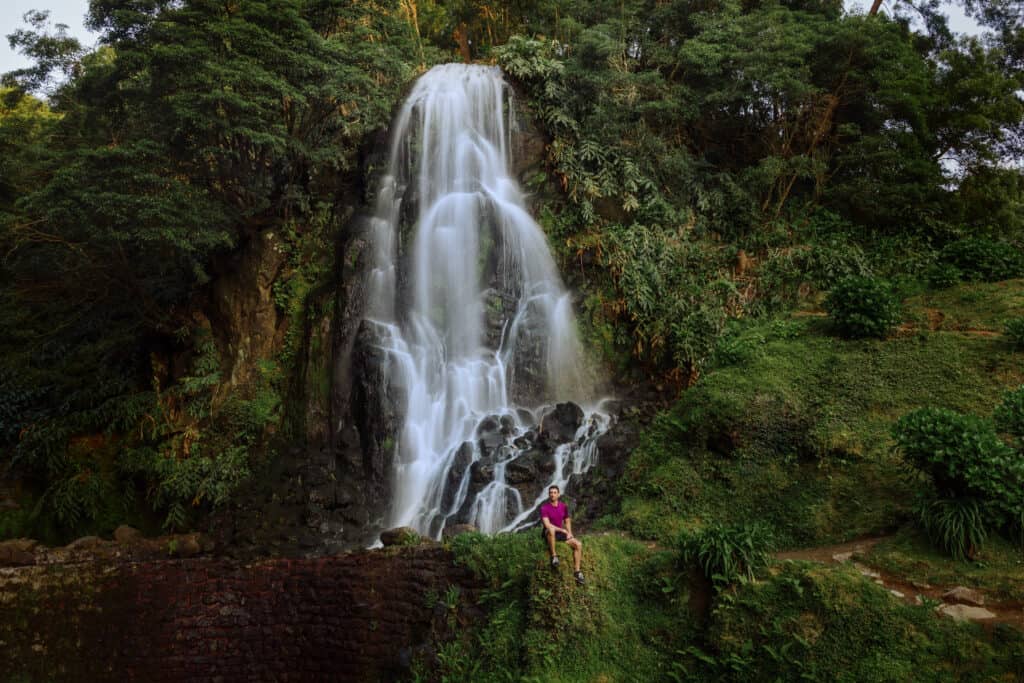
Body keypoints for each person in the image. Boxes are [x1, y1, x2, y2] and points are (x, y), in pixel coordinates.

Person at [540, 485, 584, 585]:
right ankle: (554, 556)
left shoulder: (563, 506)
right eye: (551, 492)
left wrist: (570, 533)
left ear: (558, 494)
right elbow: (547, 525)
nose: (552, 494)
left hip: (560, 534)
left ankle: (577, 572)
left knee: (578, 545)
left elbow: (567, 521)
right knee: (551, 529)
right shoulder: (544, 508)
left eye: (555, 492)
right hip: (548, 533)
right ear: (548, 494)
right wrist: (562, 530)